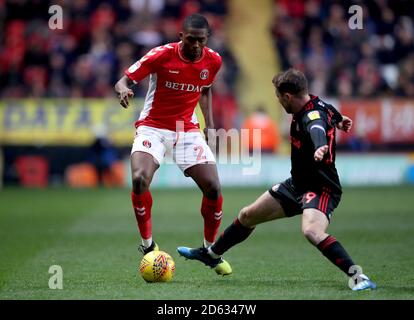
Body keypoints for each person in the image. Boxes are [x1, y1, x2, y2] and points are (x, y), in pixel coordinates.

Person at [178, 69, 377, 291]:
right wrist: (340, 121)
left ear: (288, 96)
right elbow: (329, 113)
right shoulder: (317, 104)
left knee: (312, 231)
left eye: (279, 98)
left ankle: (359, 277)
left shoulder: (310, 116)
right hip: (296, 185)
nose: (280, 103)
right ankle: (212, 255)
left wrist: (321, 145)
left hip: (321, 188)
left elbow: (316, 127)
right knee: (247, 215)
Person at [114, 14, 231, 275]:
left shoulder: (213, 60)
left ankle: (209, 251)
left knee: (213, 187)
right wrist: (123, 90)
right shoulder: (161, 55)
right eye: (191, 40)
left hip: (186, 130)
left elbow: (205, 88)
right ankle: (147, 245)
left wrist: (209, 122)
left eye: (201, 41)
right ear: (181, 37)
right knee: (139, 179)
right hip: (152, 126)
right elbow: (123, 80)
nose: (196, 46)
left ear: (207, 39)